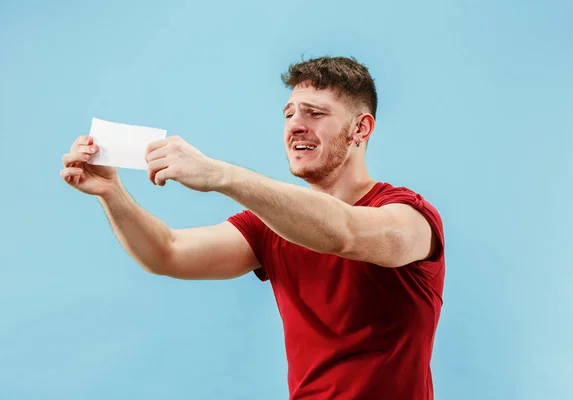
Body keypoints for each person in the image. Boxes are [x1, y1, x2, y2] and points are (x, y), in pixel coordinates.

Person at [60, 56, 445, 399]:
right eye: (289, 114)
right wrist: (112, 193)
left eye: (314, 113)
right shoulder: (269, 225)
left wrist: (220, 174)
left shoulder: (410, 217)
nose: (295, 126)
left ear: (361, 129)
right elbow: (167, 252)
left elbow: (344, 233)